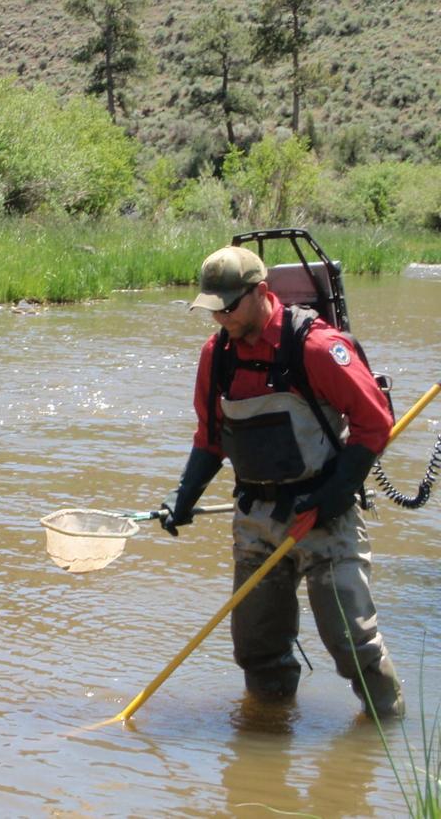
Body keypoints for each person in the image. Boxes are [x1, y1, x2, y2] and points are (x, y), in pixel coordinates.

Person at [160, 245, 403, 719]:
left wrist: (333, 496)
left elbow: (375, 423)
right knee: (256, 648)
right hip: (256, 520)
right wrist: (182, 496)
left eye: (229, 307)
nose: (221, 318)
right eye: (213, 309)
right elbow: (211, 440)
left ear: (262, 294)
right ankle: (268, 738)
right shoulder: (217, 355)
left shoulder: (314, 347)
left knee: (353, 646)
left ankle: (386, 736)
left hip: (322, 518)